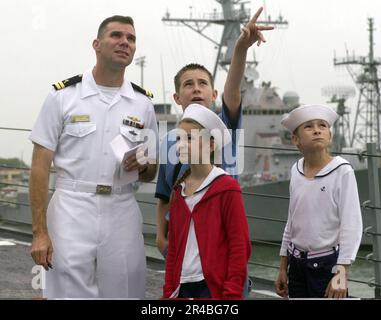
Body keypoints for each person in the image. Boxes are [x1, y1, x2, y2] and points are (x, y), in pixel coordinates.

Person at [29, 15, 159, 299]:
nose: (125, 42)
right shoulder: (63, 96)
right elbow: (40, 165)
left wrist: (144, 164)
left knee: (125, 289)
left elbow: (151, 172)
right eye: (116, 35)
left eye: (131, 38)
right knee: (66, 292)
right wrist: (39, 232)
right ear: (97, 45)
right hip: (71, 208)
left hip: (122, 208)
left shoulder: (143, 103)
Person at [155, 5, 273, 259]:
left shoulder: (223, 128)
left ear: (214, 94)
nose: (196, 89)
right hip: (182, 237)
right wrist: (160, 235)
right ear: (177, 96)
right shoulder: (167, 141)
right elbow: (164, 193)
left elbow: (233, 89)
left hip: (219, 238)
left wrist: (241, 48)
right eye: (188, 84)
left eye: (203, 84)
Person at [162, 104, 251, 299]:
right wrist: (168, 292)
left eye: (190, 138)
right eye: (178, 138)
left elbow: (239, 246)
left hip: (212, 290)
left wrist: (232, 294)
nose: (180, 145)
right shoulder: (179, 192)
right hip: (181, 289)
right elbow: (174, 249)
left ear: (211, 144)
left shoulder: (226, 188)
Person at [275, 104, 363, 299]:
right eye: (309, 126)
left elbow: (352, 225)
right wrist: (283, 267)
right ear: (295, 139)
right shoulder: (296, 170)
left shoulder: (342, 171)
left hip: (326, 266)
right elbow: (292, 221)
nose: (317, 130)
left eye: (322, 125)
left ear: (330, 136)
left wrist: (342, 271)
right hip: (296, 266)